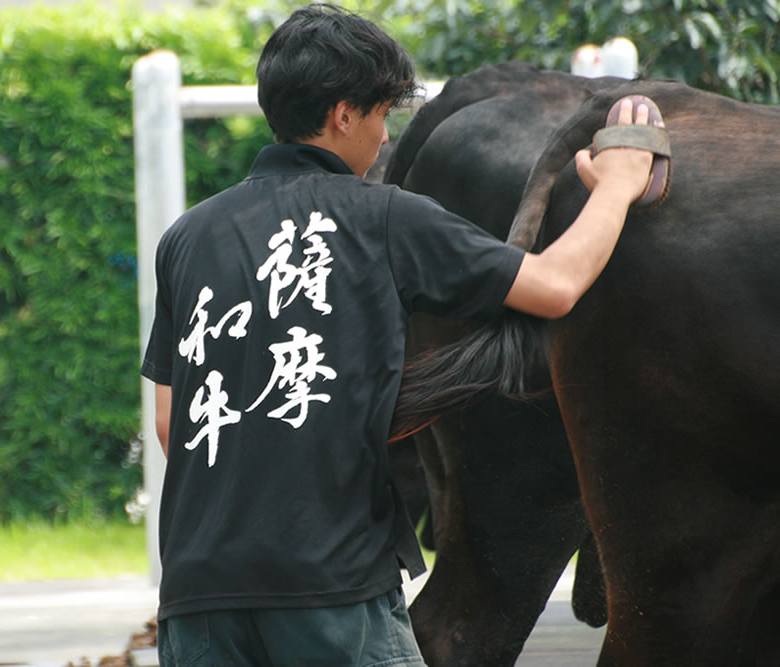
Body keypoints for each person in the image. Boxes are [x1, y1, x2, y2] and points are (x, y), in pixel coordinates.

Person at [140, 4, 656, 665]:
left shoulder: (187, 237)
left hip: (196, 597)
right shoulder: (383, 218)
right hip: (331, 589)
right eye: (382, 114)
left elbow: (171, 423)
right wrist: (617, 184)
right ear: (343, 114)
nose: (386, 137)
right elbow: (554, 285)